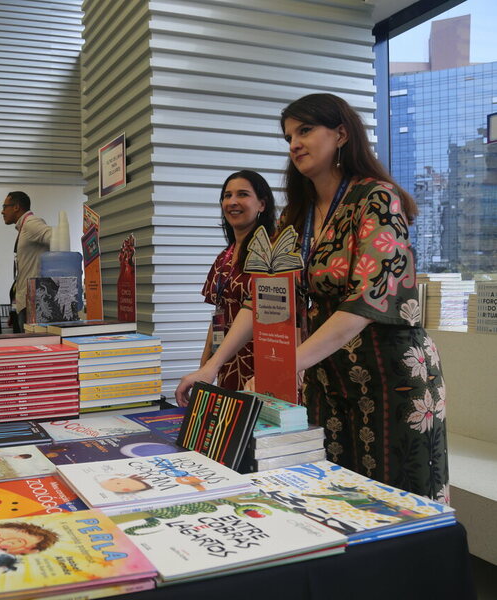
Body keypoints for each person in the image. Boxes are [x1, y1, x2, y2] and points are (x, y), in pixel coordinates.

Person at [176, 93, 447, 502]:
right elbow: (263, 300)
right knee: (336, 497)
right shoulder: (294, 217)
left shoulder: (376, 198)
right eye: (288, 137)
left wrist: (283, 367)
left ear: (341, 134)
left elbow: (365, 302)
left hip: (390, 375)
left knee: (396, 503)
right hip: (327, 376)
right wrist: (211, 367)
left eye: (305, 130)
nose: (294, 143)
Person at [197, 171, 276, 392]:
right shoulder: (224, 257)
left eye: (242, 194)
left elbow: (291, 318)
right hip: (227, 364)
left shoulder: (271, 254)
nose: (232, 202)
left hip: (265, 363)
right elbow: (217, 319)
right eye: (227, 195)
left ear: (262, 204)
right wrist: (206, 367)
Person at [1, 191, 51, 332]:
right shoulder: (25, 226)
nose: (2, 211)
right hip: (25, 301)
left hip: (33, 302)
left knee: (33, 346)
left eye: (5, 207)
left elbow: (56, 238)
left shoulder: (31, 223)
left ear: (16, 207)